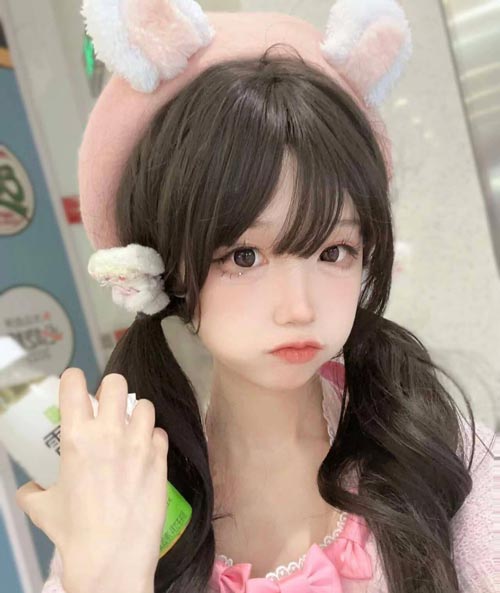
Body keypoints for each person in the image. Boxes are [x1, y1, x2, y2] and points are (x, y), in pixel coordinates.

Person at [16, 1, 496, 592]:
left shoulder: (439, 456)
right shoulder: (130, 495)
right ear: (166, 265)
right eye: (244, 256)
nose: (299, 308)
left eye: (333, 252)